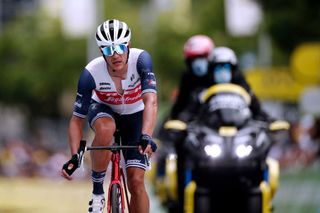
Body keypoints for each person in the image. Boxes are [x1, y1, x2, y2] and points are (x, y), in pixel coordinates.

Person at [61, 19, 158, 213]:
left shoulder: (141, 60)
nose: (115, 55)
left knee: (136, 182)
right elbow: (76, 120)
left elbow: (151, 101)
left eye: (120, 47)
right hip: (104, 109)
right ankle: (97, 193)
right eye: (107, 50)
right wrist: (75, 156)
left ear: (128, 45)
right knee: (106, 128)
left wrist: (146, 136)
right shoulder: (91, 72)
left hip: (135, 115)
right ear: (101, 52)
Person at [206, 46, 271, 122]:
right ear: (211, 71)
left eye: (226, 67)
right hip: (210, 130)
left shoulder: (242, 86)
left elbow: (257, 109)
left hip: (240, 130)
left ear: (233, 70)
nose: (222, 71)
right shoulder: (204, 88)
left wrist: (270, 121)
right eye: (218, 68)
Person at [169, 34, 215, 121]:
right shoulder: (187, 78)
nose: (197, 62)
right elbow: (179, 106)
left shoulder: (218, 75)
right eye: (194, 58)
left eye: (201, 57)